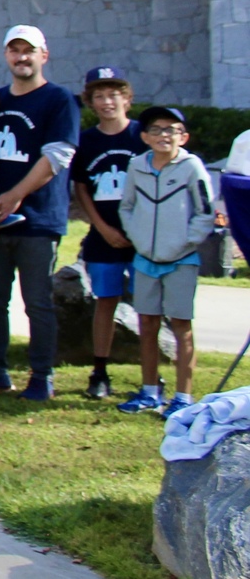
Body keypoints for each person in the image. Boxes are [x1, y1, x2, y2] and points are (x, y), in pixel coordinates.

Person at [0, 25, 78, 401]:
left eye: (28, 50)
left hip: (39, 220)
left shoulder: (58, 100)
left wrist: (15, 195)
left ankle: (41, 376)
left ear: (43, 55)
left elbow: (58, 156)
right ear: (6, 56)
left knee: (38, 303)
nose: (21, 57)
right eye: (14, 51)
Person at [116, 107, 217, 418]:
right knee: (147, 324)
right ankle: (149, 392)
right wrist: (139, 239)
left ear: (183, 137)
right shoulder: (136, 166)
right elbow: (126, 207)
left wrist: (184, 243)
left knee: (181, 325)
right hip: (145, 259)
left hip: (181, 260)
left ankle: (183, 397)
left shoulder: (191, 166)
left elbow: (205, 211)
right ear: (145, 137)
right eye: (156, 129)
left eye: (171, 129)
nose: (164, 135)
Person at [73, 68, 146, 401]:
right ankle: (100, 370)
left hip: (143, 238)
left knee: (149, 306)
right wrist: (102, 228)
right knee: (106, 301)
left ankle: (151, 374)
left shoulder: (142, 135)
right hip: (105, 237)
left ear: (126, 99)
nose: (107, 102)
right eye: (99, 96)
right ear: (91, 102)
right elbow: (81, 188)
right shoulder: (87, 140)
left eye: (113, 95)